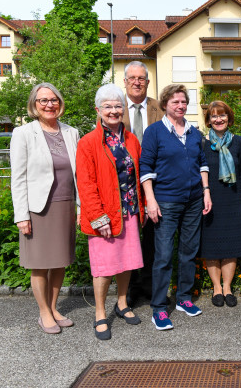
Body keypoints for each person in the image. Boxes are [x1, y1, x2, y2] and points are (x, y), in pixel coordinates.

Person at [140, 84, 212, 330]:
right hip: (166, 201)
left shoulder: (193, 133)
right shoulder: (154, 132)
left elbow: (202, 163)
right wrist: (150, 199)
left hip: (193, 200)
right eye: (175, 102)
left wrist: (206, 191)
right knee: (163, 256)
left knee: (189, 251)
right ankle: (159, 308)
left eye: (183, 102)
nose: (180, 106)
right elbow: (146, 168)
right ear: (165, 105)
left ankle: (183, 298)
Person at [76, 84, 145, 340]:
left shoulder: (131, 140)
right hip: (104, 214)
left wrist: (143, 205)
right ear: (98, 110)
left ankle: (123, 303)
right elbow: (85, 183)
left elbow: (137, 176)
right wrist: (97, 216)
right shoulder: (88, 143)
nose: (114, 111)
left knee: (126, 263)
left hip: (129, 211)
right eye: (108, 106)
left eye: (118, 106)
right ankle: (100, 314)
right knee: (104, 267)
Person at [10, 83, 79, 334]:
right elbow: (17, 177)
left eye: (54, 100)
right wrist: (21, 215)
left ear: (60, 103)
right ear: (34, 105)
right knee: (40, 263)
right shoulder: (24, 133)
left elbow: (78, 174)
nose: (49, 104)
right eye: (43, 101)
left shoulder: (72, 132)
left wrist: (80, 207)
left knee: (59, 262)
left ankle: (53, 308)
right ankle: (43, 313)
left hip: (65, 206)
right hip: (38, 209)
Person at [122, 61, 164, 304]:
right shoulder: (115, 108)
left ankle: (149, 288)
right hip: (125, 185)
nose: (137, 82)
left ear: (148, 83)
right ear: (125, 82)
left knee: (152, 239)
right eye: (132, 78)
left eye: (141, 78)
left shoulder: (160, 108)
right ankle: (129, 291)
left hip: (155, 185)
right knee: (128, 237)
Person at [201, 101, 241, 308]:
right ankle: (216, 288)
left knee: (231, 244)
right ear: (209, 120)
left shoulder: (238, 142)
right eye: (214, 116)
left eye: (222, 115)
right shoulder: (202, 144)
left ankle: (227, 287)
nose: (218, 119)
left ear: (229, 118)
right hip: (211, 199)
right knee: (211, 245)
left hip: (233, 197)